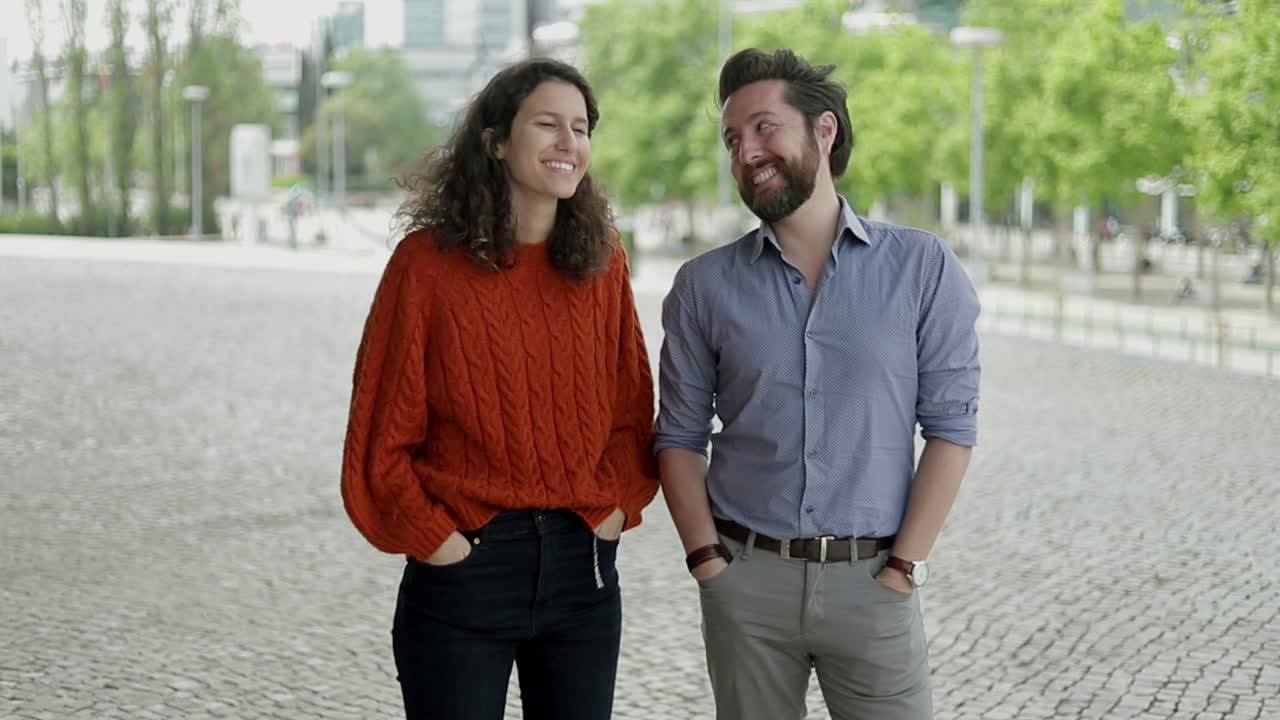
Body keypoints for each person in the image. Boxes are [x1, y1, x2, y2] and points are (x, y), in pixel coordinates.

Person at [655, 48, 981, 720]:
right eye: (733, 139)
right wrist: (707, 563)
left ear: (824, 130)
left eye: (765, 127)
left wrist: (904, 568)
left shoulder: (921, 267)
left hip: (875, 584)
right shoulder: (704, 286)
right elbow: (679, 437)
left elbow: (952, 428)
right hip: (747, 584)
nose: (747, 152)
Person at [341, 58, 659, 720]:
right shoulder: (426, 267)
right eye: (547, 124)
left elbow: (632, 417)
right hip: (466, 570)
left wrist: (612, 513)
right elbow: (380, 438)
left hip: (583, 572)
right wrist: (439, 542)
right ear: (494, 141)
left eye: (580, 127)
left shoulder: (603, 264)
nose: (569, 143)